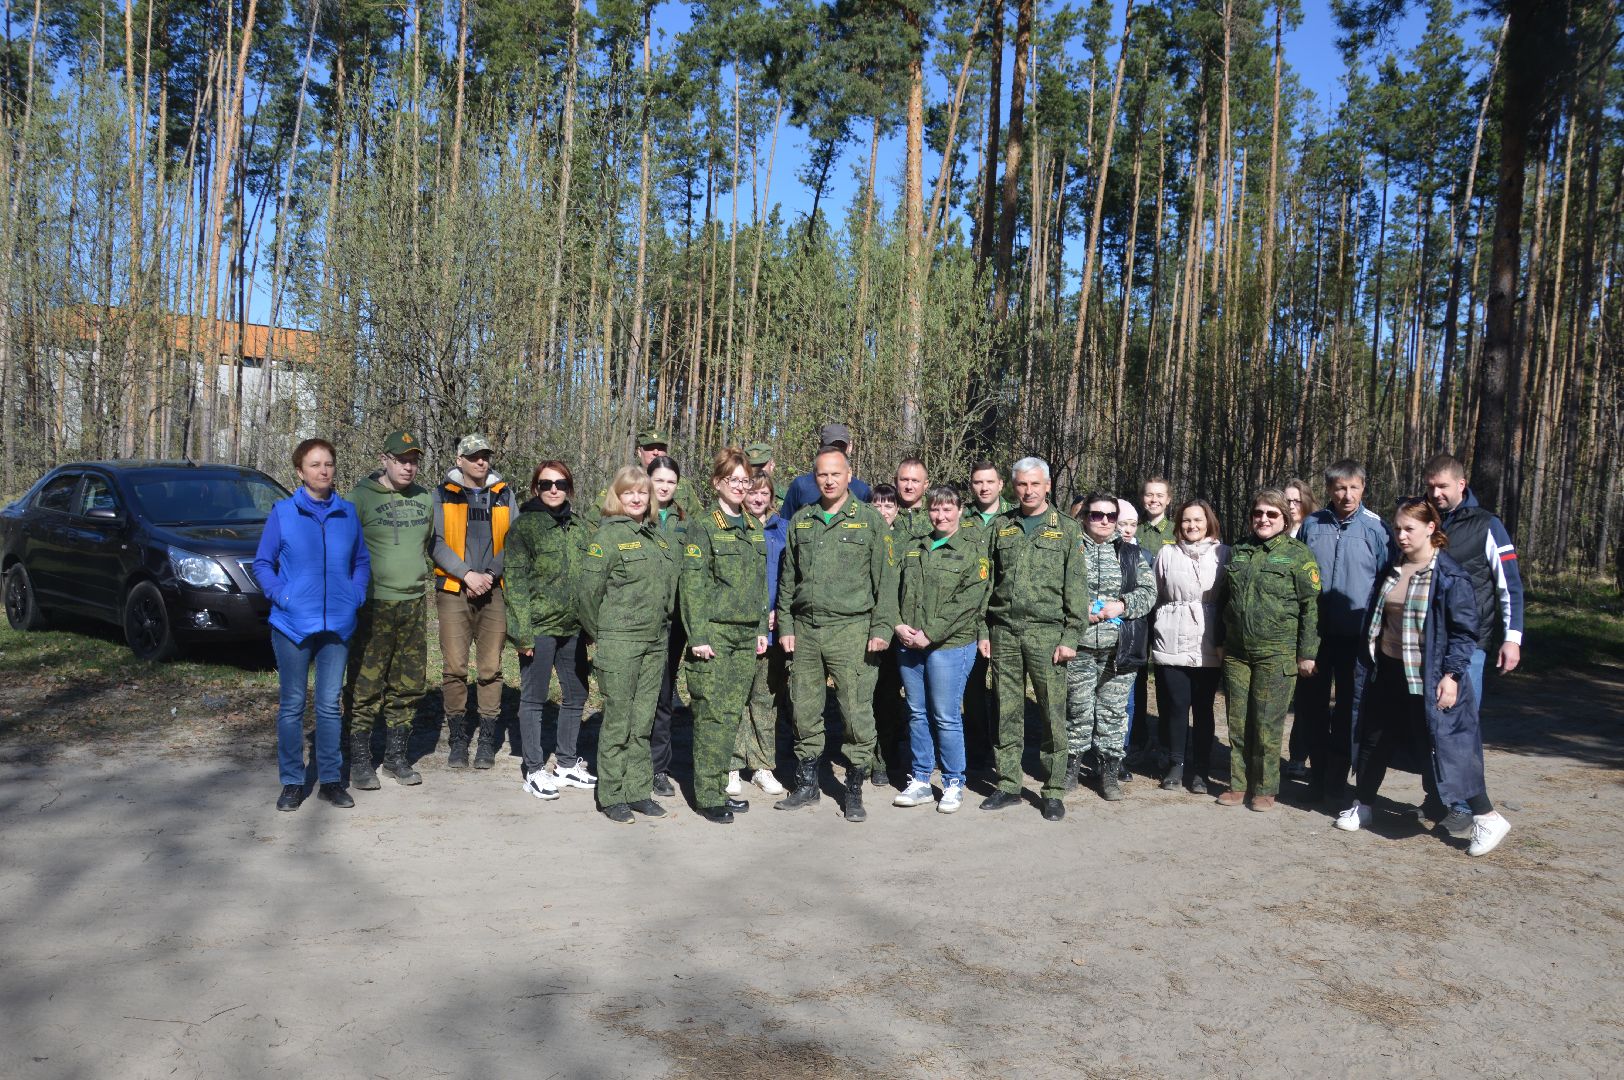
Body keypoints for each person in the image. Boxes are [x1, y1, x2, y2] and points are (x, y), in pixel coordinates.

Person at [1336, 498, 1512, 857]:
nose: (1400, 535)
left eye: (1408, 529)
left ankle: (1487, 817)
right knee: (1374, 739)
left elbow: (1465, 633)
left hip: (1430, 678)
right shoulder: (1392, 569)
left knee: (1448, 748)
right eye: (1397, 528)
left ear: (1431, 529)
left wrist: (1452, 675)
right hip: (1387, 671)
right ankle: (1364, 805)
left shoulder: (1449, 576)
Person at [773, 447, 898, 822]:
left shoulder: (869, 522)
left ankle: (854, 787)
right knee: (804, 709)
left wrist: (881, 628)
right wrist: (787, 625)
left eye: (835, 474)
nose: (828, 480)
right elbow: (788, 580)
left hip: (853, 630)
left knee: (855, 710)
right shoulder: (802, 521)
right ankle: (807, 784)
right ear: (815, 478)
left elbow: (886, 581)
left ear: (849, 476)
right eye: (821, 475)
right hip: (807, 631)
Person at [256, 438, 371, 811]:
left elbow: (361, 562)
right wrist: (283, 596)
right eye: (315, 465)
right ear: (300, 471)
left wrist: (355, 594)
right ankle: (292, 781)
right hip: (291, 625)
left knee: (328, 705)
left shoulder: (347, 514)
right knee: (291, 705)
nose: (323, 471)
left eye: (329, 464)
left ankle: (331, 780)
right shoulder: (283, 513)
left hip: (337, 625)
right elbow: (262, 564)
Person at [1423, 452, 1526, 835]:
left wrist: (1511, 639)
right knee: (1431, 721)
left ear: (1461, 485)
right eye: (1431, 486)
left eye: (1443, 487)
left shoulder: (1487, 525)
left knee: (1458, 725)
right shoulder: (1425, 520)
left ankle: (1466, 805)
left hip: (1470, 645)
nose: (1436, 493)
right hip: (1427, 641)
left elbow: (1509, 585)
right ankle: (1439, 797)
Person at [981, 457, 1086, 821]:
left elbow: (1077, 590)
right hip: (1004, 632)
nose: (1027, 491)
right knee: (1007, 711)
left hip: (1047, 634)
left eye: (1034, 484)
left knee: (1051, 713)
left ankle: (1053, 789)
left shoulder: (1067, 530)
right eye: (1021, 485)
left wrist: (1071, 635)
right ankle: (1008, 784)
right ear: (1014, 486)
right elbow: (988, 584)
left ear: (1047, 486)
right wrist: (984, 630)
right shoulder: (1001, 527)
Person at [578, 467, 680, 823]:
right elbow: (587, 595)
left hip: (656, 642)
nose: (637, 499)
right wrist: (602, 633)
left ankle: (638, 790)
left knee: (643, 721)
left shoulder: (658, 537)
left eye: (642, 493)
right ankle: (612, 794)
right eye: (628, 493)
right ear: (616, 498)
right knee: (619, 719)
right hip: (620, 641)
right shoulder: (606, 538)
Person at [1297, 460, 1396, 805]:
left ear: (1363, 489)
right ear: (1329, 490)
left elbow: (1389, 580)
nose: (1347, 494)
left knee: (1348, 711)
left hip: (1358, 637)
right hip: (1316, 635)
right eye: (1340, 488)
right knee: (1312, 708)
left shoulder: (1377, 529)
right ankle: (1317, 774)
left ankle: (1337, 781)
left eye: (1354, 487)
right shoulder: (1312, 525)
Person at [680, 449, 770, 823]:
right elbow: (693, 584)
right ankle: (707, 796)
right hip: (714, 635)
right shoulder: (704, 526)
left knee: (731, 717)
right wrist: (698, 635)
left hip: (746, 636)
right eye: (732, 480)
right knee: (713, 717)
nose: (739, 486)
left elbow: (759, 584)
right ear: (717, 482)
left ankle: (718, 786)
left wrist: (762, 626)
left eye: (744, 480)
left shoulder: (753, 526)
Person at [891, 485, 991, 814]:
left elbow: (968, 601)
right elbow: (892, 587)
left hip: (949, 646)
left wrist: (930, 634)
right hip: (909, 644)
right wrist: (897, 624)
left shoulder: (973, 550)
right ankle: (920, 778)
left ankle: (952, 782)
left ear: (961, 510)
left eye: (948, 509)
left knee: (946, 716)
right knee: (916, 713)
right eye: (935, 509)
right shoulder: (913, 547)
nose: (941, 515)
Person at [1220, 488, 1320, 811]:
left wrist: (1307, 652)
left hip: (1277, 653)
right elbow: (1225, 600)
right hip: (1237, 652)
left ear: (1285, 518)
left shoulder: (1298, 555)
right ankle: (1237, 783)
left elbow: (1311, 608)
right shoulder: (1239, 550)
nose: (1263, 519)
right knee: (1237, 721)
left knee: (1266, 724)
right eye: (1258, 513)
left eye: (1271, 514)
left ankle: (1264, 787)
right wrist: (1221, 641)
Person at [345, 430, 432, 793]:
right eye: (401, 460)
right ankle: (360, 760)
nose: (408, 467)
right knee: (365, 684)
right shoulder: (360, 498)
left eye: (413, 461)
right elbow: (345, 549)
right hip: (374, 604)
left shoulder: (426, 498)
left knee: (408, 684)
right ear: (385, 459)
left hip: (413, 602)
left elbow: (429, 543)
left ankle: (396, 757)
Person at [504, 460, 596, 802]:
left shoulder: (579, 527)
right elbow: (514, 583)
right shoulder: (524, 528)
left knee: (576, 694)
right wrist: (521, 633)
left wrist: (589, 623)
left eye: (559, 483)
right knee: (534, 697)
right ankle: (533, 769)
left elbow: (589, 579)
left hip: (572, 628)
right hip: (539, 628)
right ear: (535, 489)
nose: (553, 489)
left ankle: (567, 763)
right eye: (545, 484)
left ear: (569, 487)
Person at [433, 434, 517, 769]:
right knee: (454, 668)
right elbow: (435, 542)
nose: (481, 462)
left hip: (494, 589)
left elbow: (514, 539)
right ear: (459, 460)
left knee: (490, 669)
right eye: (473, 457)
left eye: (485, 456)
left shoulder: (504, 494)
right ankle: (457, 739)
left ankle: (486, 739)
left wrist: (489, 576)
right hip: (454, 589)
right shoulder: (440, 495)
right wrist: (466, 575)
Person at [1064, 493, 1156, 801]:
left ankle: (1109, 772)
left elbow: (1148, 592)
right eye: (1096, 515)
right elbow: (1055, 591)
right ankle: (1071, 768)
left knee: (1114, 713)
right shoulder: (1070, 548)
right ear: (1085, 517)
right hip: (1080, 646)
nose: (1104, 521)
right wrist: (1082, 610)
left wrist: (1123, 605)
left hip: (1120, 648)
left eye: (1110, 516)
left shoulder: (1130, 553)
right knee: (1077, 710)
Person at [1151, 500, 1230, 793]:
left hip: (1209, 642)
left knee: (1204, 708)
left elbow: (1227, 600)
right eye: (1186, 520)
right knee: (1176, 706)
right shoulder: (1167, 553)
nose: (1191, 526)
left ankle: (1201, 770)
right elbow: (1156, 594)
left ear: (1209, 522)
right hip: (1171, 638)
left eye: (1198, 520)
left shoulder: (1224, 553)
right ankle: (1176, 764)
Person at [731, 474, 788, 796]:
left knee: (765, 701)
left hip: (773, 629)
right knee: (736, 700)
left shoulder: (784, 529)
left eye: (764, 492)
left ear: (771, 496)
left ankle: (763, 766)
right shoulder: (733, 527)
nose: (757, 498)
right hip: (739, 629)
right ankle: (732, 766)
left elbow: (793, 575)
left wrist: (780, 611)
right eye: (752, 492)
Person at [958, 460, 1011, 773]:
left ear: (1000, 484)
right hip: (970, 613)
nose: (984, 487)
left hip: (1004, 612)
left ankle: (1005, 749)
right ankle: (978, 750)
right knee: (973, 687)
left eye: (990, 481)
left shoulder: (1014, 516)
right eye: (978, 482)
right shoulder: (962, 517)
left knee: (1006, 689)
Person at [647, 454, 689, 798]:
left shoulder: (684, 521)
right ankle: (631, 762)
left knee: (663, 695)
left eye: (670, 482)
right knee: (639, 695)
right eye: (659, 480)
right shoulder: (632, 514)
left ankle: (658, 767)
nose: (664, 486)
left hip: (674, 622)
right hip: (639, 621)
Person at [1129, 478, 1173, 775]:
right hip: (1139, 616)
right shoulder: (1134, 528)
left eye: (1159, 495)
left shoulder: (1176, 530)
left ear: (1168, 500)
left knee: (1169, 678)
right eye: (1149, 495)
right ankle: (1138, 736)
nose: (1153, 500)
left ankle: (1168, 743)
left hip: (1169, 614)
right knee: (1136, 674)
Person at [777, 423, 874, 519]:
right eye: (831, 446)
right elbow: (784, 526)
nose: (836, 452)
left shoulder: (862, 491)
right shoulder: (801, 486)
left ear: (850, 447)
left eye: (841, 447)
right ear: (820, 446)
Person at [891, 458, 932, 543]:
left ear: (925, 484)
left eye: (915, 481)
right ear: (895, 481)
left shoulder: (938, 513)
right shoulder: (883, 511)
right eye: (904, 480)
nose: (909, 487)